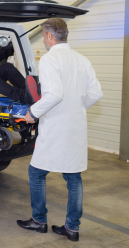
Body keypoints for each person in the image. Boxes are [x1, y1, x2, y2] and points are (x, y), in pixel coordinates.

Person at [17, 18, 103, 242]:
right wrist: (75, 109)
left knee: (36, 173)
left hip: (55, 127)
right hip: (75, 127)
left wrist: (32, 113)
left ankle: (39, 221)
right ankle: (72, 228)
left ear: (49, 36)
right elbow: (95, 94)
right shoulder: (82, 60)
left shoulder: (49, 59)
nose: (44, 41)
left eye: (44, 37)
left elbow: (54, 94)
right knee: (73, 177)